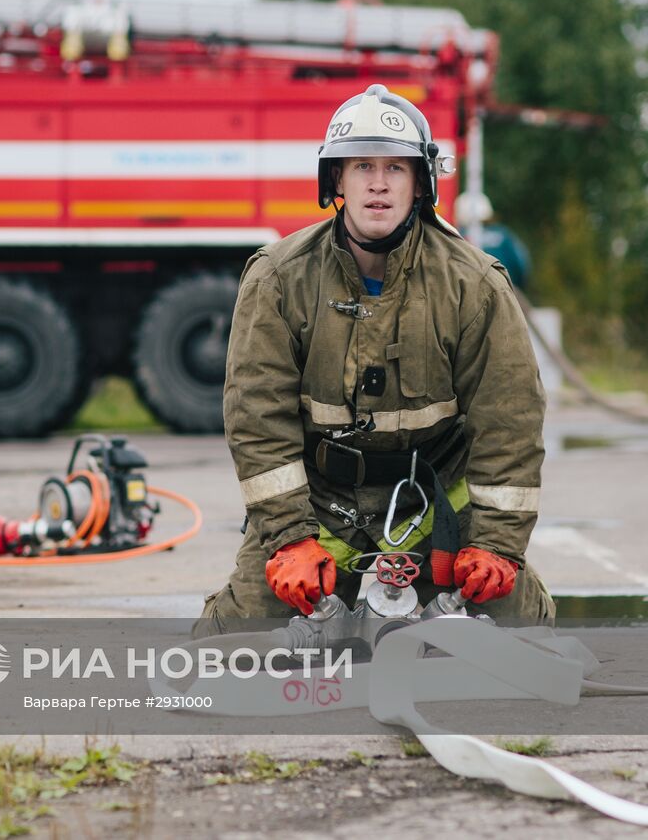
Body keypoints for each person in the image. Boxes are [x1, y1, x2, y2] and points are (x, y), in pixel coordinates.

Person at [199, 84, 553, 627]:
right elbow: (256, 421)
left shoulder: (475, 285)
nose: (379, 184)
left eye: (397, 167)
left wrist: (496, 545)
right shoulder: (277, 279)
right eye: (362, 165)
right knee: (231, 642)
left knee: (522, 633)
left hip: (433, 504)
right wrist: (289, 538)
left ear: (421, 183)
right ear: (336, 179)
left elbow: (510, 423)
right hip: (321, 509)